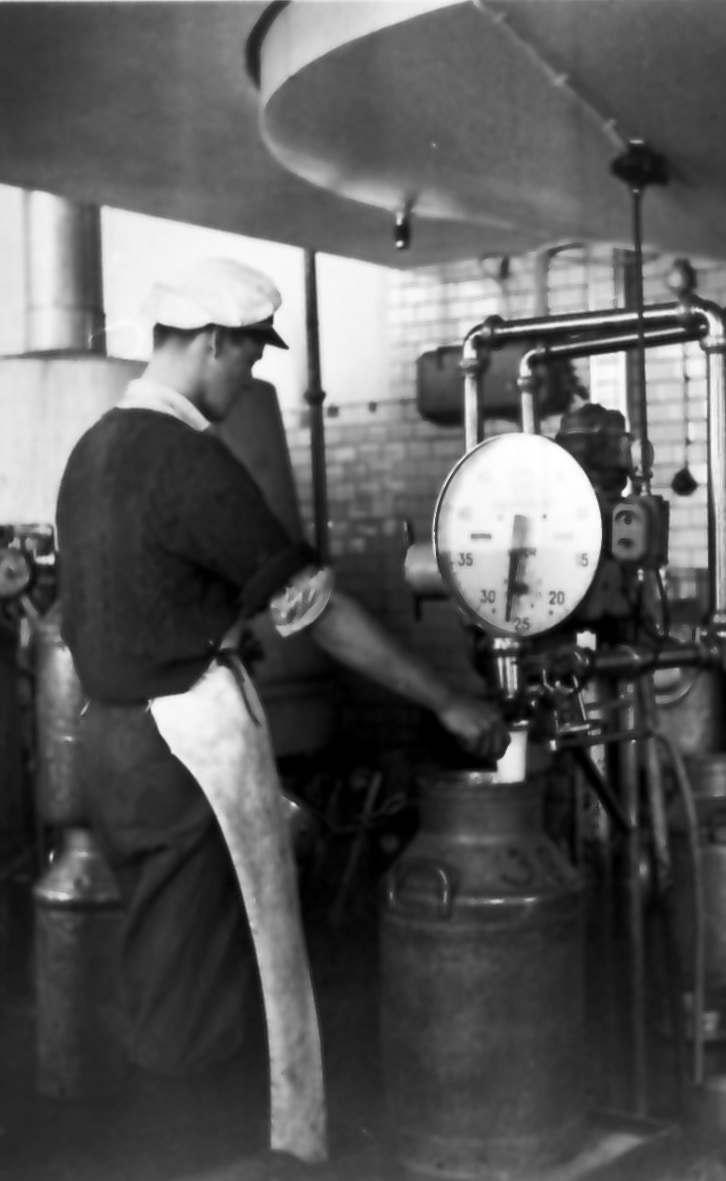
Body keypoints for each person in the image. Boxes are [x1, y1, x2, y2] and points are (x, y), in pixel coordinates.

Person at [54, 256, 509, 1161]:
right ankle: (203, 1158)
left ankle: (187, 1150)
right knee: (204, 982)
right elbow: (317, 611)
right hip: (181, 747)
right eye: (251, 355)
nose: (250, 374)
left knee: (165, 962)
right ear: (212, 342)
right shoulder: (185, 458)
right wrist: (448, 701)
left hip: (110, 741)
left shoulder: (92, 450)